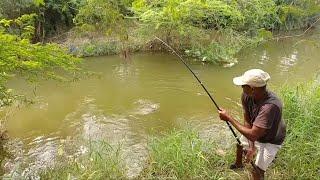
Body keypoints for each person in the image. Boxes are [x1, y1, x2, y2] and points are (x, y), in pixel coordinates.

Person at [218, 69, 286, 180]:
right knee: (240, 145)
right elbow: (248, 120)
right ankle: (239, 164)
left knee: (257, 171)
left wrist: (229, 118)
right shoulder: (246, 95)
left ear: (252, 88)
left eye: (243, 85)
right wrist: (251, 146)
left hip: (271, 139)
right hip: (256, 130)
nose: (241, 87)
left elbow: (254, 135)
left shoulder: (269, 106)